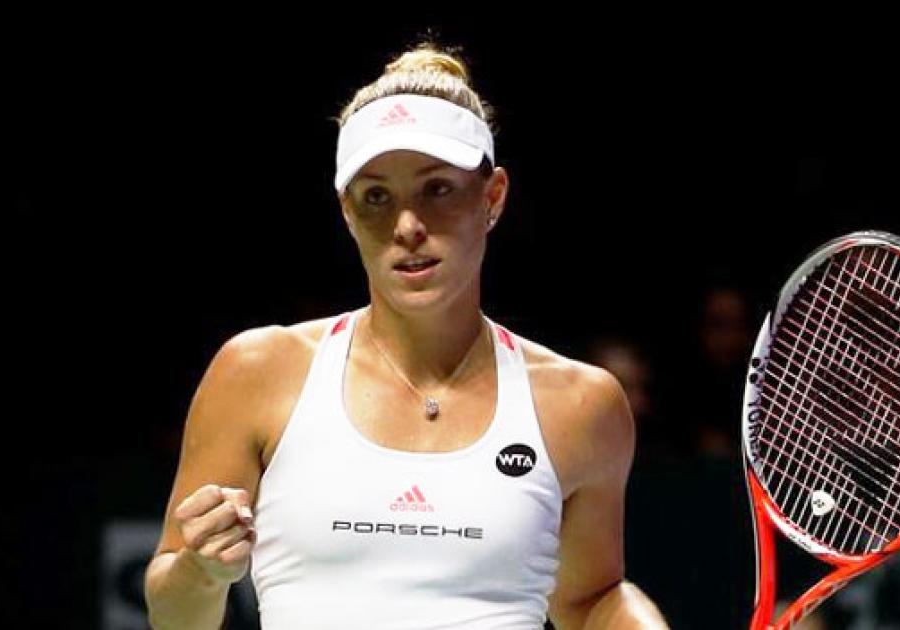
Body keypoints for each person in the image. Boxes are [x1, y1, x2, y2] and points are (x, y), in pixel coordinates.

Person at [144, 43, 669, 629]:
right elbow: (174, 617)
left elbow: (590, 600)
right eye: (376, 197)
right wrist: (200, 571)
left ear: (492, 197)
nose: (408, 225)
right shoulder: (256, 372)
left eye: (437, 189)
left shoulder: (582, 405)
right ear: (347, 212)